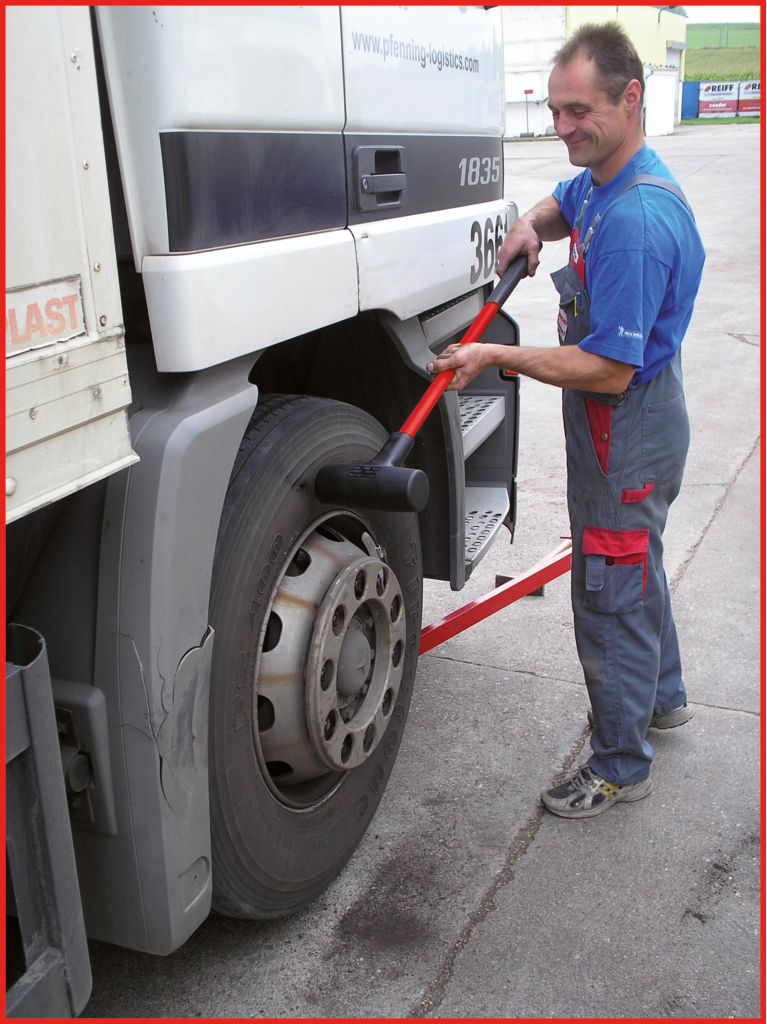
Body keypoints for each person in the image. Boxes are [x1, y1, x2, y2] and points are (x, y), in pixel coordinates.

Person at [426, 22, 706, 819]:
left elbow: (607, 369)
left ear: (630, 97)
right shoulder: (604, 180)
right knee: (632, 560)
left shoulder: (635, 226)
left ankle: (620, 762)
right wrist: (530, 224)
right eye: (552, 110)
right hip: (627, 428)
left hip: (628, 425)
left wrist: (498, 360)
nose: (562, 128)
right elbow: (564, 199)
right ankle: (663, 696)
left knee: (609, 585)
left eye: (577, 111)